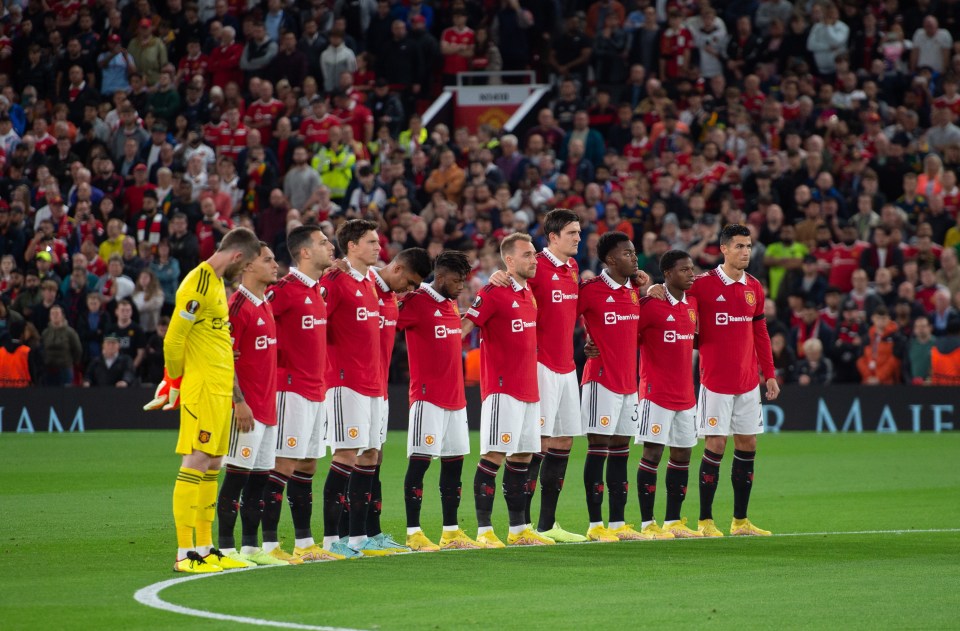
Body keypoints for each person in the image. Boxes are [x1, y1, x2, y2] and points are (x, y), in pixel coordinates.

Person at [144, 226, 262, 573]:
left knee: (212, 465)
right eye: (247, 264)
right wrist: (173, 380)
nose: (244, 272)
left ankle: (205, 548)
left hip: (220, 389)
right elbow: (174, 338)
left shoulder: (216, 284)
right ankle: (184, 553)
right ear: (238, 256)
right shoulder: (198, 281)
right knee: (195, 461)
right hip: (202, 388)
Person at [650, 223, 779, 537]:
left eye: (748, 246)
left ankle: (740, 521)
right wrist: (656, 288)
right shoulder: (704, 284)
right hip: (714, 382)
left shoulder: (755, 288)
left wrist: (769, 374)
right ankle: (705, 520)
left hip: (748, 382)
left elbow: (759, 332)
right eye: (739, 246)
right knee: (716, 445)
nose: (745, 252)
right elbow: (675, 294)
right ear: (723, 249)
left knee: (748, 445)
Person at [261, 225, 352, 562]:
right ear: (304, 253)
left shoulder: (318, 291)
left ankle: (304, 543)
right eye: (323, 242)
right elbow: (256, 318)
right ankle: (269, 545)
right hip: (290, 389)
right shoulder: (284, 290)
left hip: (317, 390)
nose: (331, 246)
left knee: (308, 464)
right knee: (283, 463)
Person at [461, 233, 554, 547]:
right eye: (527, 255)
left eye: (534, 254)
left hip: (529, 390)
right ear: (509, 260)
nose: (534, 260)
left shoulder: (529, 292)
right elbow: (464, 327)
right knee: (493, 456)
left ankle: (518, 531)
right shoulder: (493, 291)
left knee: (523, 457)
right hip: (502, 391)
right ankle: (485, 532)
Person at [318, 219, 393, 556]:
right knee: (346, 454)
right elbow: (317, 325)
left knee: (370, 455)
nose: (379, 247)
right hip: (345, 382)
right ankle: (331, 540)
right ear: (351, 246)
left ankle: (359, 537)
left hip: (372, 383)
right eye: (372, 242)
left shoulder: (368, 283)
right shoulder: (334, 280)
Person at [397, 250, 482, 551]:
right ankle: (413, 532)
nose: (462, 287)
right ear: (441, 277)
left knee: (453, 467)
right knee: (420, 465)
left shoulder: (449, 303)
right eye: (458, 281)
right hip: (427, 398)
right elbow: (384, 325)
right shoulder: (416, 301)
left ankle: (451, 532)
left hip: (456, 401)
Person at [215, 243, 287, 567]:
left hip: (268, 409)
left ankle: (249, 547)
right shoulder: (237, 306)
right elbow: (223, 356)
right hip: (246, 409)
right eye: (267, 260)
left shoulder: (265, 304)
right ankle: (226, 548)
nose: (275, 265)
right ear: (247, 267)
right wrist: (238, 401)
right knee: (236, 478)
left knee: (259, 480)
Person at [576, 231, 643, 542]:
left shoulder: (634, 289)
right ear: (611, 259)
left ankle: (618, 524)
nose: (634, 257)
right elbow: (561, 321)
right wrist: (581, 347)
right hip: (600, 381)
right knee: (598, 450)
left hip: (629, 384)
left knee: (621, 453)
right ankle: (595, 525)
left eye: (634, 252)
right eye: (628, 253)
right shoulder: (590, 290)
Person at [364, 248, 432, 552]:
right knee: (355, 457)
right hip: (350, 386)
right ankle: (343, 536)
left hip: (379, 389)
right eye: (412, 282)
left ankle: (371, 532)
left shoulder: (393, 298)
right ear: (398, 268)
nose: (412, 289)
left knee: (375, 458)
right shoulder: (361, 286)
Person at [634, 250, 702, 538]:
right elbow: (626, 334)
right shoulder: (650, 304)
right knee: (653, 452)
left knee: (683, 454)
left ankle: (673, 521)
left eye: (692, 269)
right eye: (685, 270)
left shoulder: (693, 304)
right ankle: (648, 524)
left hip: (686, 394)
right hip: (655, 393)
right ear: (668, 273)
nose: (691, 274)